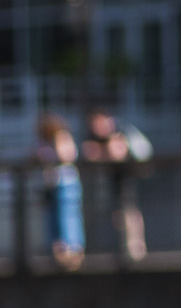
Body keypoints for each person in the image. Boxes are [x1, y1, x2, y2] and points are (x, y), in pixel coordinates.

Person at [80, 108, 152, 261]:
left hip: (127, 179)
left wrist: (101, 151)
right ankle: (125, 250)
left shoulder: (118, 130)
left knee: (128, 213)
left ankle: (135, 251)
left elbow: (116, 153)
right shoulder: (98, 136)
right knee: (119, 215)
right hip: (112, 181)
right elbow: (89, 153)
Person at [34, 112, 85, 272]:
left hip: (66, 184)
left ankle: (72, 253)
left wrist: (52, 149)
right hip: (51, 185)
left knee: (67, 218)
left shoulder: (61, 136)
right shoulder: (43, 141)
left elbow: (66, 156)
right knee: (53, 219)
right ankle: (59, 253)